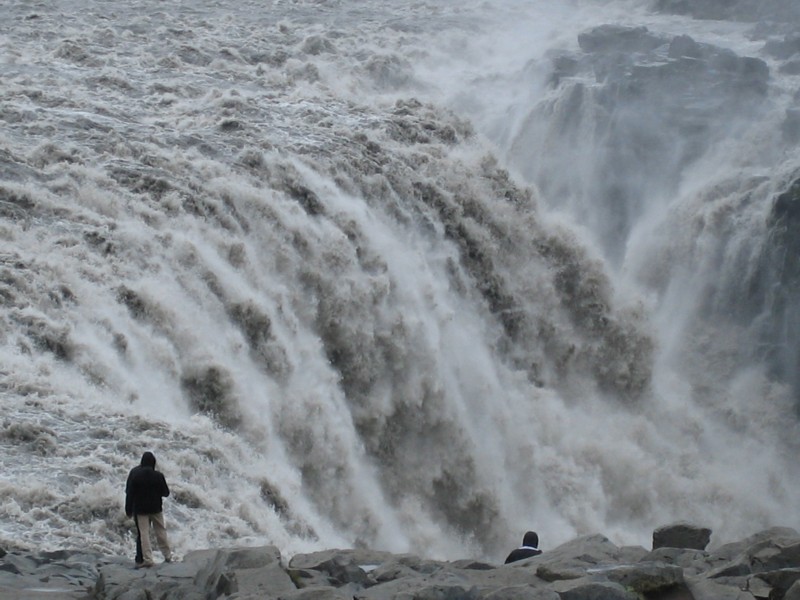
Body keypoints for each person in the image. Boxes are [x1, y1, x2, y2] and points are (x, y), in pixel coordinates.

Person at [125, 451, 173, 567]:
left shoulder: (136, 475)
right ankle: (167, 556)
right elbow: (166, 493)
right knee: (161, 531)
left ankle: (148, 559)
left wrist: (128, 509)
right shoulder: (158, 476)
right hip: (156, 508)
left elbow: (130, 493)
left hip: (141, 510)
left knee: (144, 534)